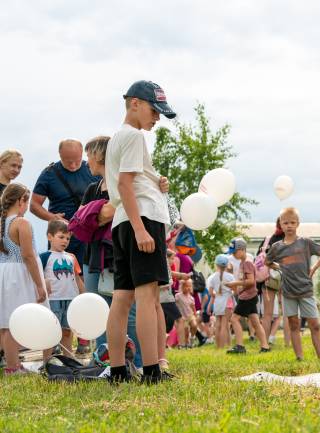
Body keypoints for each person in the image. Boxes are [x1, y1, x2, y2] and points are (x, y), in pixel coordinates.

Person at [104, 80, 177, 384]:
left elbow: (123, 183)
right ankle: (151, 371)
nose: (157, 117)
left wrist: (154, 180)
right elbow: (124, 184)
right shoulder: (134, 137)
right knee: (148, 297)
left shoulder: (117, 138)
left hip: (122, 220)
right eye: (154, 109)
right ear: (134, 103)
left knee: (122, 298)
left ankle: (118, 370)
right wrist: (141, 230)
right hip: (142, 219)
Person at [80, 136, 143, 367]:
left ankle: (136, 362)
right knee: (97, 311)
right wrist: (98, 214)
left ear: (99, 156)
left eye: (89, 155)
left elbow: (112, 213)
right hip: (93, 258)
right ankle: (104, 361)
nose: (87, 162)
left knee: (129, 312)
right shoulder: (92, 189)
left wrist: (97, 215)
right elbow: (81, 222)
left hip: (120, 256)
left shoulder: (123, 185)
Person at [266, 207, 320, 361]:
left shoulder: (305, 243)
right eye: (286, 222)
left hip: (306, 290)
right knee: (294, 324)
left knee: (314, 324)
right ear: (280, 225)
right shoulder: (277, 247)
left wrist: (314, 268)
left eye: (292, 222)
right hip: (288, 291)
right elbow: (267, 262)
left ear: (298, 224)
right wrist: (279, 268)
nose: (289, 225)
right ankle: (299, 357)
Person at [0, 184, 49, 375]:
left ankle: (11, 363)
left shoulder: (2, 223)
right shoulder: (21, 224)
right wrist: (40, 284)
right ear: (21, 201)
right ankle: (13, 367)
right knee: (15, 321)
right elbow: (28, 256)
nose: (27, 206)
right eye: (27, 201)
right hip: (19, 274)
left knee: (5, 321)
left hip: (4, 272)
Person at [31, 139, 100, 265]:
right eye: (68, 162)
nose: (73, 165)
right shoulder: (49, 174)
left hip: (89, 235)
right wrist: (52, 217)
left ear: (82, 154)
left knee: (86, 278)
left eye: (77, 161)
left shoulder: (94, 170)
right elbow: (34, 205)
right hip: (61, 236)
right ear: (60, 155)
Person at [40, 220, 86, 355]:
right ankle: (46, 362)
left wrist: (85, 296)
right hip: (53, 300)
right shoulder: (44, 257)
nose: (65, 241)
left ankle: (69, 360)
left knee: (67, 332)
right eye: (61, 237)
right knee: (50, 332)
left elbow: (77, 278)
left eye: (68, 238)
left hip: (70, 299)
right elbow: (36, 276)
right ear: (49, 236)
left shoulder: (72, 257)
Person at [227, 238, 270, 353]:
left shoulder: (247, 263)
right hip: (250, 295)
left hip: (247, 296)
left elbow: (251, 281)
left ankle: (240, 346)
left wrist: (235, 283)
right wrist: (237, 288)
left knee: (234, 319)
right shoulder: (243, 262)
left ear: (242, 250)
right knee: (255, 322)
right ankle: (265, 346)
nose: (233, 254)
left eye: (234, 252)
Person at [257, 218, 285, 342]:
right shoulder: (291, 239)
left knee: (267, 315)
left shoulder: (267, 239)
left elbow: (259, 260)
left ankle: (264, 344)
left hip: (268, 277)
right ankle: (288, 344)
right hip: (286, 276)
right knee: (288, 313)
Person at [210, 254, 237, 349]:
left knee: (218, 324)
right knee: (225, 325)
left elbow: (211, 292)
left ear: (216, 265)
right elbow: (235, 290)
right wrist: (230, 293)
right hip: (227, 302)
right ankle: (223, 346)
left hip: (217, 302)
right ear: (227, 265)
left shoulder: (213, 277)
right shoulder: (230, 277)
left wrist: (217, 295)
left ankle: (219, 346)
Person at [174, 279, 206, 348]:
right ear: (182, 287)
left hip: (190, 315)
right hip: (183, 317)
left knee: (194, 325)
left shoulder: (191, 298)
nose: (188, 288)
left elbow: (193, 307)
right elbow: (174, 304)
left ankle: (192, 338)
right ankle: (187, 344)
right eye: (186, 286)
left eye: (189, 286)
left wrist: (195, 314)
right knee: (186, 332)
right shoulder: (178, 296)